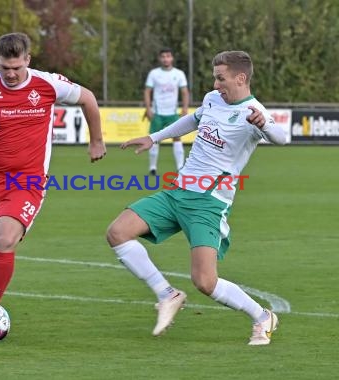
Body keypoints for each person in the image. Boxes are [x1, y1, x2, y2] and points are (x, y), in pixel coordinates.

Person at [107, 51, 286, 345]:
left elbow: (281, 138)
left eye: (221, 78)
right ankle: (167, 294)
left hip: (209, 203)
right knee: (118, 232)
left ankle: (262, 316)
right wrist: (154, 137)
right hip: (178, 192)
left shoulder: (253, 112)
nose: (215, 84)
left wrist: (264, 124)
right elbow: (192, 120)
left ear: (240, 78)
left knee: (205, 282)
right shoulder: (212, 99)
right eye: (215, 77)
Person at [0, 32, 106, 336]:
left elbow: (88, 99)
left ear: (28, 60)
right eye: (6, 67)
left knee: (4, 239)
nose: (12, 74)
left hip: (27, 181)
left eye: (17, 67)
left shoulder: (47, 83)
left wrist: (96, 140)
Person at [144, 48, 189, 176]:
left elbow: (184, 91)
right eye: (163, 56)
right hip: (157, 112)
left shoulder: (179, 74)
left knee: (177, 138)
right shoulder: (154, 73)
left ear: (172, 58)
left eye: (168, 56)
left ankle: (180, 167)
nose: (166, 59)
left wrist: (185, 108)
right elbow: (147, 91)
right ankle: (152, 168)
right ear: (160, 58)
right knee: (154, 139)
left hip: (173, 113)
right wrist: (148, 108)